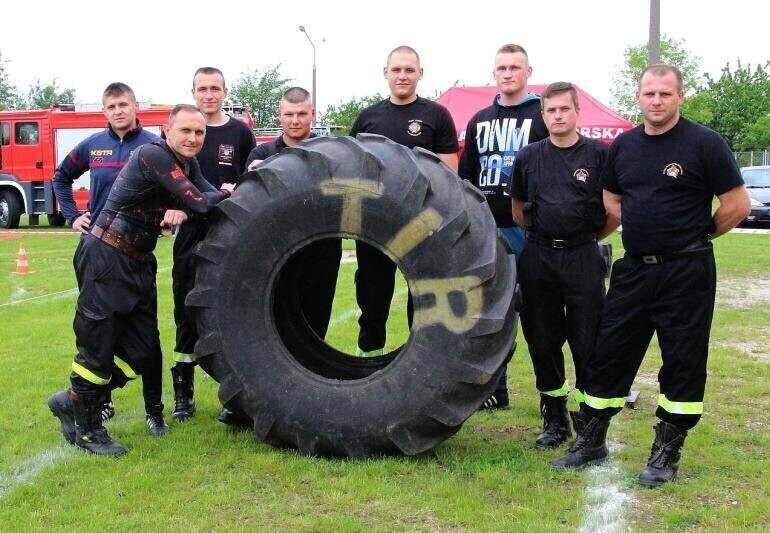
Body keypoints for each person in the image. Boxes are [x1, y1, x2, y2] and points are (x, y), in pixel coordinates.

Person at [552, 65, 751, 486]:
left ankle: (666, 451)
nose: (656, 101)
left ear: (680, 96)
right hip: (634, 269)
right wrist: (646, 228)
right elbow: (611, 198)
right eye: (649, 94)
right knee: (609, 352)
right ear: (638, 98)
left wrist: (696, 233)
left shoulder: (705, 143)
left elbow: (736, 204)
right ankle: (591, 439)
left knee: (683, 360)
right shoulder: (623, 146)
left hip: (687, 270)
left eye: (665, 94)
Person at [47, 104, 236, 455]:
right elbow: (202, 202)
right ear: (167, 131)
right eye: (186, 131)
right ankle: (88, 430)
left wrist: (232, 192)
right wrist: (227, 191)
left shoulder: (187, 163)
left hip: (137, 261)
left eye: (199, 133)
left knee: (144, 350)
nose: (193, 138)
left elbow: (209, 197)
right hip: (106, 254)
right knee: (98, 343)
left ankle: (68, 400)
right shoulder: (153, 155)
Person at [508, 82, 613, 447]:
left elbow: (613, 209)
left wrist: (587, 237)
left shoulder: (600, 155)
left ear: (576, 111)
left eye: (563, 109)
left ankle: (587, 415)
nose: (557, 116)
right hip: (538, 256)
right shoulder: (529, 157)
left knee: (588, 338)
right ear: (543, 114)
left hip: (583, 255)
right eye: (550, 110)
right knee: (542, 338)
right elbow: (518, 209)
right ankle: (554, 416)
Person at [52, 82, 161, 423]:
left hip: (136, 254)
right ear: (104, 111)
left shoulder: (153, 146)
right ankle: (95, 401)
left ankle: (154, 412)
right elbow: (60, 177)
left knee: (145, 338)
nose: (117, 111)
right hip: (98, 253)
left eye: (123, 105)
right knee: (100, 332)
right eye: (111, 106)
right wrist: (72, 215)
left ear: (135, 106)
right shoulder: (93, 146)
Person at [350, 45, 459, 356]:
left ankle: (419, 362)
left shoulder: (436, 116)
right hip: (375, 225)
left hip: (420, 223)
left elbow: (448, 174)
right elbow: (353, 168)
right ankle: (367, 359)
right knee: (373, 297)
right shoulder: (368, 118)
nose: (402, 76)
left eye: (409, 70)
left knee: (421, 299)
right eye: (396, 69)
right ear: (385, 72)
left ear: (420, 74)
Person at [458, 44, 548, 410]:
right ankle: (497, 388)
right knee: (491, 312)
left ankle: (550, 393)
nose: (507, 73)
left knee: (538, 312)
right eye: (501, 68)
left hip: (530, 228)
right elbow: (466, 176)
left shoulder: (543, 116)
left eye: (515, 67)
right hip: (487, 228)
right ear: (494, 74)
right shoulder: (479, 120)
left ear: (528, 71)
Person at [170, 67, 255, 425]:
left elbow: (254, 178)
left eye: (215, 88)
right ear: (193, 92)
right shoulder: (182, 137)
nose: (209, 94)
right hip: (191, 233)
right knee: (186, 313)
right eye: (202, 89)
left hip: (232, 235)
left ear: (224, 91)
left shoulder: (240, 132)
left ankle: (237, 399)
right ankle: (183, 396)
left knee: (238, 314)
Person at [246, 87, 342, 339]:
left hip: (321, 250)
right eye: (289, 114)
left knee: (315, 323)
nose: (295, 120)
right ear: (280, 115)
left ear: (313, 113)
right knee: (274, 323)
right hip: (275, 254)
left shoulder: (333, 153)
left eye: (301, 114)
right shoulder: (261, 155)